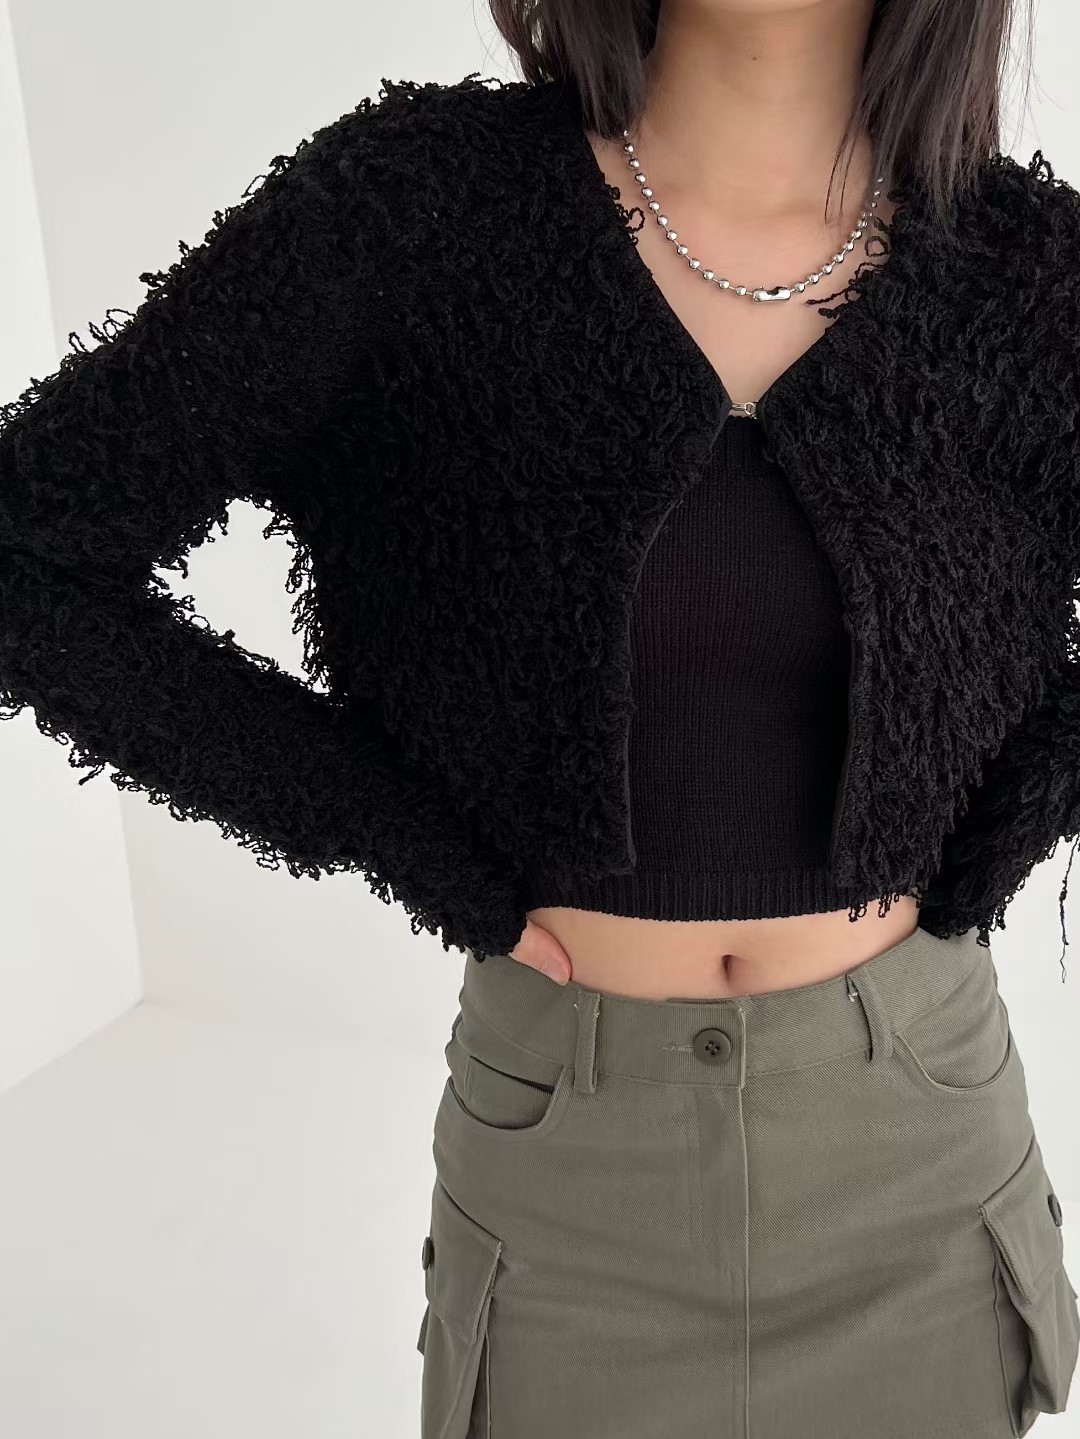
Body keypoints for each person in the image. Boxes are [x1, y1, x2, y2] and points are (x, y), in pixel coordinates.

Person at [2, 0, 1079, 1435]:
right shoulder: (410, 210)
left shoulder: (1028, 275)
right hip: (569, 1176)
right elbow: (31, 554)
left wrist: (999, 837)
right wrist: (397, 837)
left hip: (917, 1160)